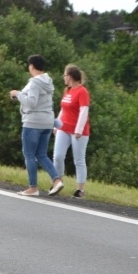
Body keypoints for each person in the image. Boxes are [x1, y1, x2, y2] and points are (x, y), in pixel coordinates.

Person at [10, 55, 65, 196]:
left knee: (29, 155)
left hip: (33, 122)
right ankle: (57, 180)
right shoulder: (48, 81)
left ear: (32, 66)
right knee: (41, 154)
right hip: (47, 122)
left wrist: (17, 94)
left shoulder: (34, 82)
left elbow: (31, 102)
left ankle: (33, 188)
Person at [53, 64, 91, 198]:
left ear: (70, 77)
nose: (64, 78)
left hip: (78, 131)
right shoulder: (67, 91)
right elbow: (63, 109)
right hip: (64, 128)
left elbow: (83, 111)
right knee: (57, 156)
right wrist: (56, 125)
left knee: (79, 160)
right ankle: (58, 182)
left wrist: (79, 130)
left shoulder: (82, 92)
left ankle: (80, 190)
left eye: (65, 75)